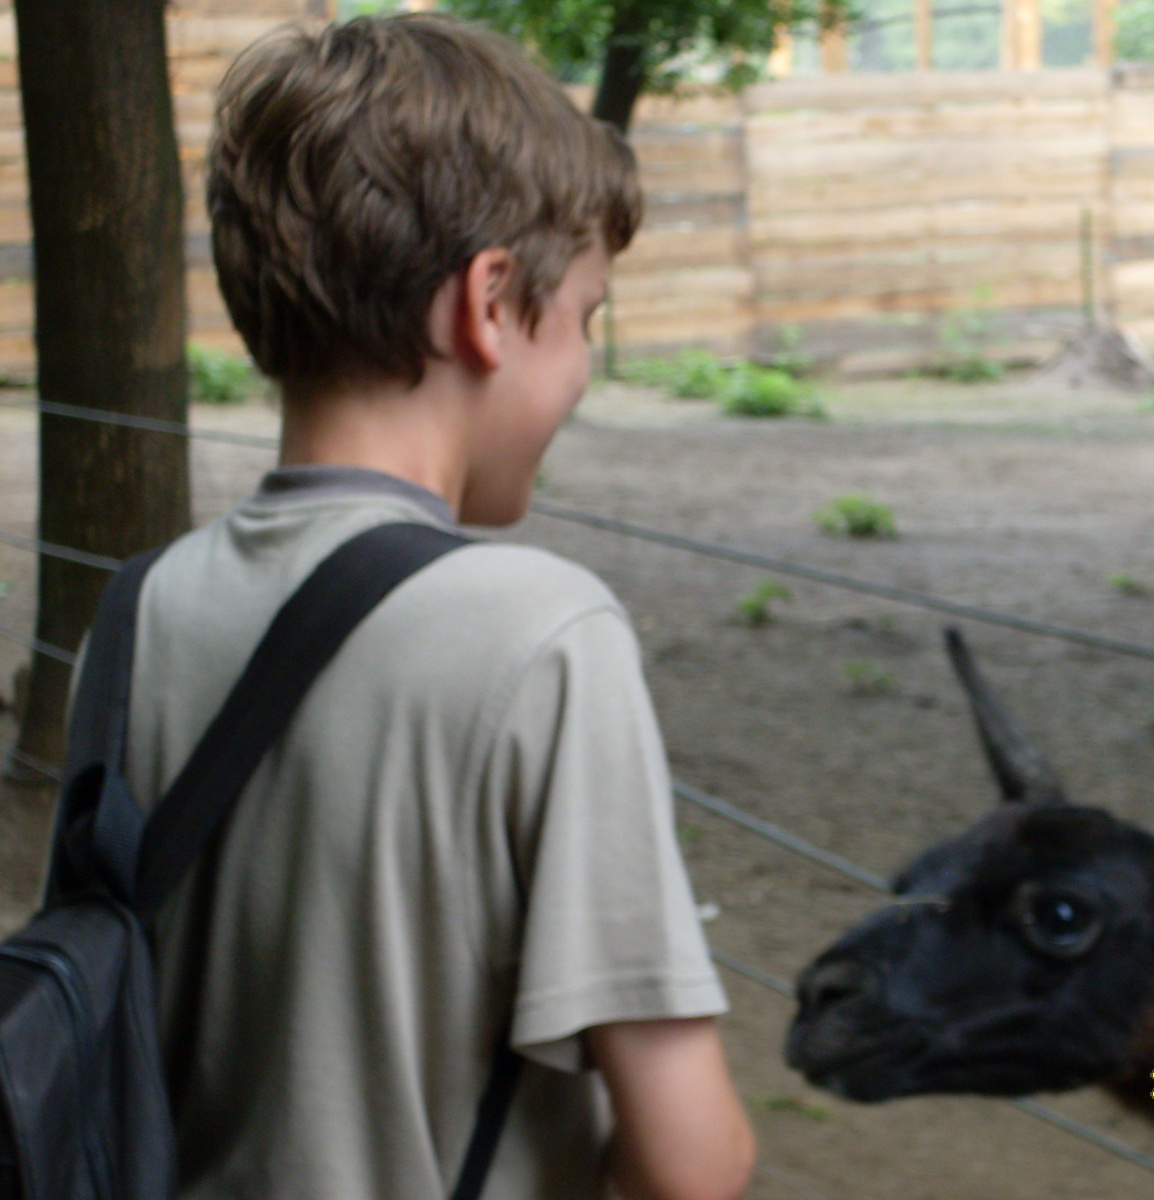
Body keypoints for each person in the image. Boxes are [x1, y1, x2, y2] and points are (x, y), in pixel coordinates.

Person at [125, 14, 755, 1200]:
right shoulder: (543, 634)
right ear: (487, 303)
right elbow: (693, 1162)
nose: (577, 370)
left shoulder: (142, 612)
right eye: (584, 321)